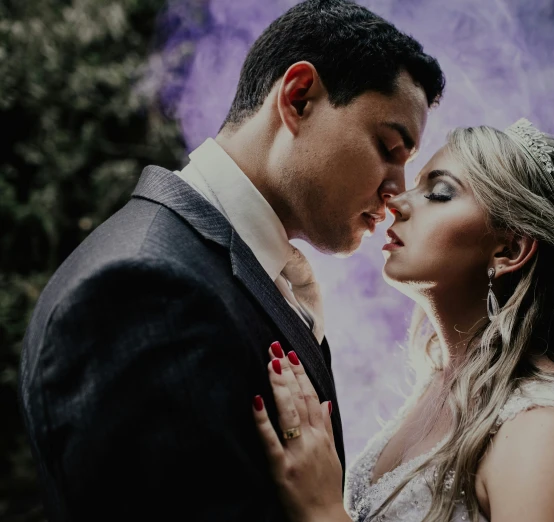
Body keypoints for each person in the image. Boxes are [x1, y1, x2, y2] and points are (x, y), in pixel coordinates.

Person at [17, 1, 444, 520]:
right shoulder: (143, 291)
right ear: (298, 97)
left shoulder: (221, 269)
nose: (397, 190)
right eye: (388, 146)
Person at [252, 119, 554, 521]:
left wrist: (323, 513)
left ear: (510, 249)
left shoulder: (546, 430)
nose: (397, 201)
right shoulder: (442, 386)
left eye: (438, 192)